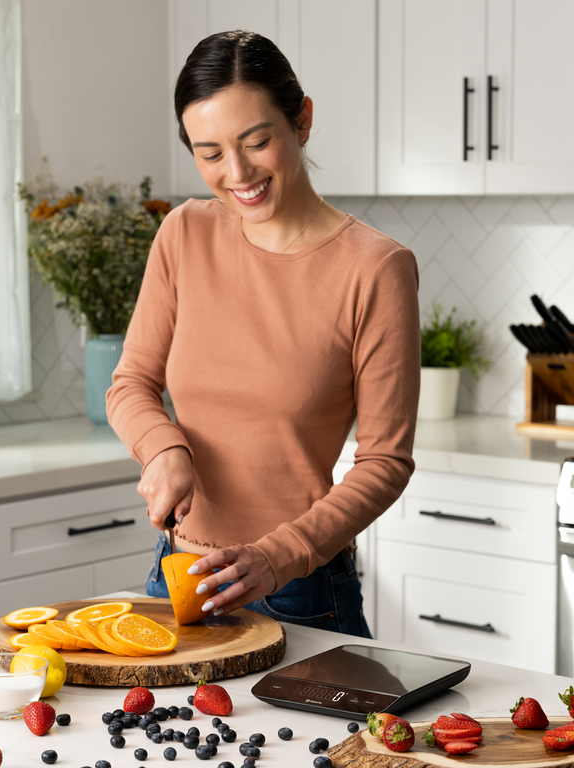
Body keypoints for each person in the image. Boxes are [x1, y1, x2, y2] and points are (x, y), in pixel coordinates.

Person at [106, 30, 420, 637]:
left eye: (257, 141)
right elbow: (132, 383)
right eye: (210, 153)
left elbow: (386, 461)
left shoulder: (376, 267)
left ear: (301, 119)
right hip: (178, 578)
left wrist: (280, 556)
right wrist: (163, 447)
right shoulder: (184, 234)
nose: (237, 173)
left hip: (302, 592)